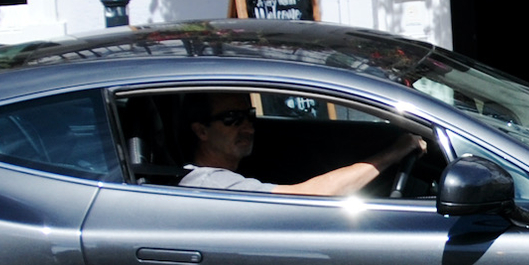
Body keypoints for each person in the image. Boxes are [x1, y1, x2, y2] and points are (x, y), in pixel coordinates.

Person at [179, 92, 427, 195]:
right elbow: (305, 197)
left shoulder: (227, 174)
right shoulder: (210, 185)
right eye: (232, 119)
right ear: (202, 131)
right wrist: (395, 152)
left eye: (249, 116)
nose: (248, 127)